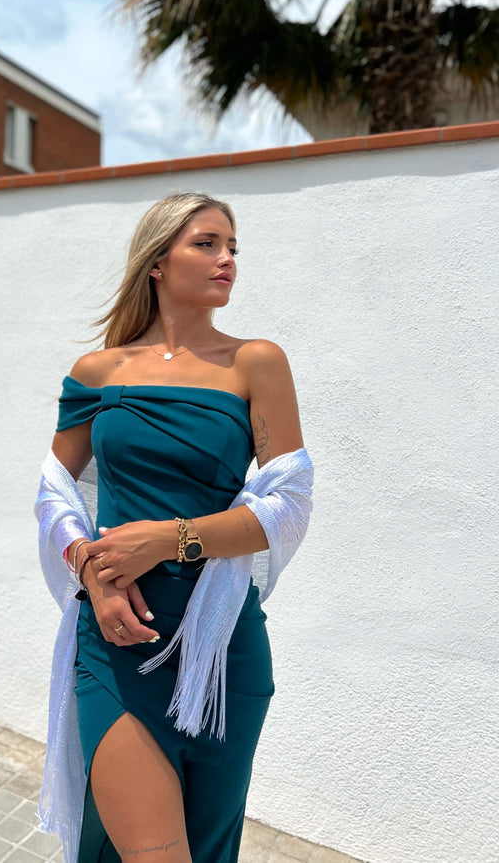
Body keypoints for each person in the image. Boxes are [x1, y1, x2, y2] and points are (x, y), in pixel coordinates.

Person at [35, 192, 313, 863]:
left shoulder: (257, 363)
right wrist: (89, 574)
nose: (227, 260)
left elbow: (289, 503)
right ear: (157, 261)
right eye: (208, 243)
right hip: (115, 640)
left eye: (233, 247)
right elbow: (53, 492)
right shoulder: (97, 373)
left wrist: (169, 538)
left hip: (221, 655)